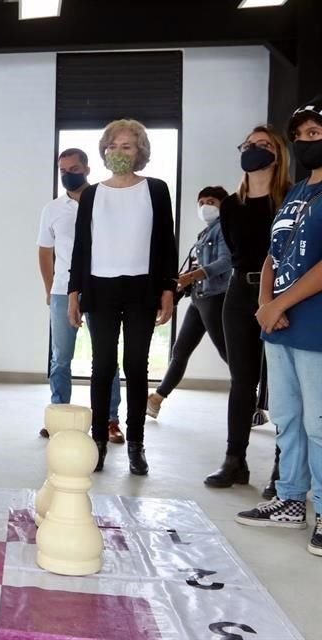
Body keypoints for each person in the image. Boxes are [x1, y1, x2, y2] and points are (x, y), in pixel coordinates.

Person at [237, 95, 322, 558]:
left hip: (313, 325)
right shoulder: (295, 193)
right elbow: (274, 254)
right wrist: (267, 302)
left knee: (318, 423)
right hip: (280, 323)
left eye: (315, 134)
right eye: (301, 136)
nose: (307, 142)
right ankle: (290, 499)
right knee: (286, 417)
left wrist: (281, 303)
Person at [68, 119, 178, 476]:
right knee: (101, 367)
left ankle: (136, 443)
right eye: (112, 146)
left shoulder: (157, 190)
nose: (118, 152)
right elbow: (81, 248)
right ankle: (97, 441)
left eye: (127, 146)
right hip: (99, 289)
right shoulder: (92, 195)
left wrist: (169, 289)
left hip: (141, 288)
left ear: (141, 152)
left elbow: (166, 244)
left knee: (135, 365)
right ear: (103, 151)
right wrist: (74, 293)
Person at [210, 126, 292, 488]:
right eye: (248, 145)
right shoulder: (230, 205)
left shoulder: (290, 198)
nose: (253, 150)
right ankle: (234, 460)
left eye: (263, 145)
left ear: (278, 154)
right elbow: (234, 251)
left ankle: (282, 468)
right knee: (241, 381)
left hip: (282, 295)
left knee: (280, 384)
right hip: (239, 294)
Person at [37, 148, 122, 441]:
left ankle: (110, 419)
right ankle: (58, 414)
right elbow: (45, 252)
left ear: (86, 169)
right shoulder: (52, 209)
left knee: (105, 357)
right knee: (61, 358)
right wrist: (50, 290)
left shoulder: (104, 201)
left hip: (99, 289)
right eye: (62, 170)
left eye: (73, 169)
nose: (67, 175)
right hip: (62, 290)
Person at [147, 187, 231, 418]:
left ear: (223, 204)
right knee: (181, 349)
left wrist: (195, 276)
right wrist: (185, 280)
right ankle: (156, 399)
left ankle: (252, 400)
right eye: (201, 202)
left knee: (229, 354)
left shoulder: (224, 229)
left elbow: (227, 262)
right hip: (199, 298)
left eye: (211, 201)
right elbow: (194, 266)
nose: (205, 206)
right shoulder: (204, 234)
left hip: (215, 298)